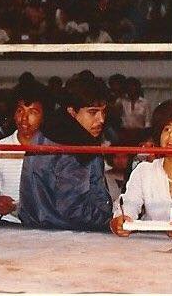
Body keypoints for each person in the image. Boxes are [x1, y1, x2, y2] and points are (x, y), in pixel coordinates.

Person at [18, 78, 112, 230]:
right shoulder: (76, 144)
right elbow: (74, 209)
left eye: (104, 111)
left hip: (35, 230)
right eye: (93, 112)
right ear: (71, 111)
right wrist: (109, 221)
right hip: (70, 234)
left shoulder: (45, 133)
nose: (101, 119)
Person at [110, 99, 172, 240]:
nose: (171, 136)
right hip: (148, 245)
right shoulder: (144, 171)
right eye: (167, 129)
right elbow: (128, 206)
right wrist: (120, 220)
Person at [0, 83, 45, 225]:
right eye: (20, 111)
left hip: (43, 224)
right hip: (7, 223)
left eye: (33, 112)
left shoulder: (53, 150)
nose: (24, 118)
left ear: (43, 116)